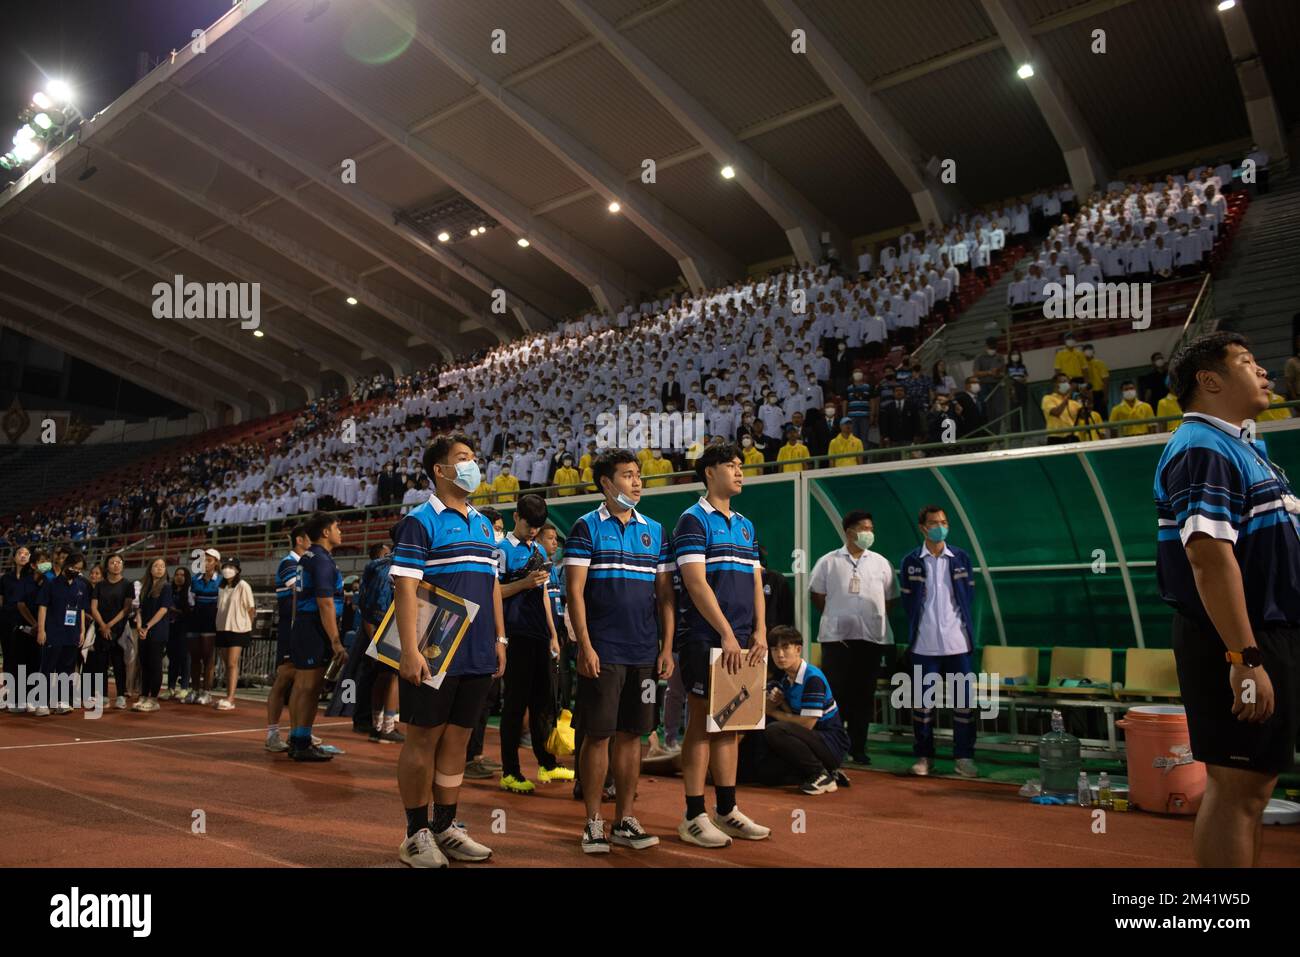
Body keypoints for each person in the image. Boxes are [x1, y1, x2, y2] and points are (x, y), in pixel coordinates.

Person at [1154, 331, 1300, 867]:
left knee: (1253, 790)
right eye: (1247, 361)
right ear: (1209, 380)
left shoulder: (1243, 447)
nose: (1263, 371)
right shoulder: (1202, 446)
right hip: (1237, 637)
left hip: (1264, 633)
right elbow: (1209, 558)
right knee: (1237, 788)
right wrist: (1243, 657)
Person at [392, 433, 505, 867]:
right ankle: (415, 832)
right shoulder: (421, 520)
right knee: (423, 738)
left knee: (458, 738)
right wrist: (409, 649)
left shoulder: (481, 522)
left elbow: (493, 583)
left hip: (478, 649)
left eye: (473, 458)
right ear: (439, 471)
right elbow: (405, 585)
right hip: (434, 647)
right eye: (463, 459)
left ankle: (446, 825)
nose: (473, 465)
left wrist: (500, 638)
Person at [564, 449, 675, 853]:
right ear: (607, 484)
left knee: (634, 735)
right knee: (597, 735)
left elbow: (665, 597)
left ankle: (625, 819)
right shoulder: (586, 527)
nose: (637, 481)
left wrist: (667, 648)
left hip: (644, 654)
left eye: (638, 475)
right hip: (603, 652)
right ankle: (593, 822)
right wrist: (585, 644)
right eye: (628, 475)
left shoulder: (657, 531)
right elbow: (574, 592)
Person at [673, 442, 771, 847]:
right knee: (700, 725)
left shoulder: (745, 525)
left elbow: (755, 581)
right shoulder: (692, 521)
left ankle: (726, 809)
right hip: (704, 638)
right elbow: (695, 583)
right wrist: (727, 633)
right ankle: (693, 815)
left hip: (743, 641)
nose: (739, 471)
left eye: (740, 466)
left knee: (730, 725)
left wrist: (760, 630)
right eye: (731, 465)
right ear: (709, 473)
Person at [810, 510, 898, 766]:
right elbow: (817, 595)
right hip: (837, 640)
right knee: (836, 693)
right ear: (849, 532)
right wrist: (839, 615)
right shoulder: (828, 561)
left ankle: (859, 747)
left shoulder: (881, 563)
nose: (869, 534)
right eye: (864, 529)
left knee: (863, 695)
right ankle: (834, 745)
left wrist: (871, 620)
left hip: (871, 639)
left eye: (871, 528)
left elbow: (890, 599)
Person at [497, 493, 571, 793]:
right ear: (516, 517)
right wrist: (522, 584)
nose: (532, 532)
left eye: (537, 527)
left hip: (540, 635)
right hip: (515, 636)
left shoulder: (539, 550)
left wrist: (553, 635)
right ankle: (510, 771)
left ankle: (548, 765)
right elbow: (494, 592)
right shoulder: (501, 551)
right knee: (515, 706)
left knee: (544, 704)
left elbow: (542, 594)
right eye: (529, 525)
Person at [898, 506, 978, 777]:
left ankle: (964, 757)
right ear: (923, 527)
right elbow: (908, 602)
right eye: (934, 523)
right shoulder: (910, 560)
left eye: (944, 522)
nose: (940, 527)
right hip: (924, 645)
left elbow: (968, 597)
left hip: (958, 644)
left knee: (964, 702)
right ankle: (923, 756)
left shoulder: (961, 558)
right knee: (922, 704)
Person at [750, 626, 851, 794]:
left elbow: (806, 724)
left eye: (785, 647)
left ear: (798, 649)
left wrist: (774, 712)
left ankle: (819, 773)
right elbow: (768, 711)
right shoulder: (785, 679)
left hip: (830, 744)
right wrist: (778, 703)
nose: (780, 654)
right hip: (809, 742)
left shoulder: (812, 678)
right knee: (766, 774)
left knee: (775, 729)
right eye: (775, 649)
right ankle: (827, 773)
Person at [287, 512, 346, 761]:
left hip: (303, 625)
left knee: (302, 686)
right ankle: (301, 742)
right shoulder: (321, 560)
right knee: (310, 689)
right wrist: (335, 640)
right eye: (336, 528)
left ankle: (297, 738)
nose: (340, 532)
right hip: (315, 628)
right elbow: (325, 603)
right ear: (325, 532)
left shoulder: (308, 557)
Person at [266, 526, 309, 752]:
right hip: (289, 628)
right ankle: (272, 733)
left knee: (299, 683)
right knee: (283, 679)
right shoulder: (288, 563)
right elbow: (299, 592)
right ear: (300, 540)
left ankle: (297, 732)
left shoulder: (304, 564)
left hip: (301, 629)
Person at [35, 551, 90, 715]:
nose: (75, 570)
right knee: (47, 667)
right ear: (66, 565)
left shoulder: (81, 586)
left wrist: (82, 631)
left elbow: (80, 609)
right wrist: (41, 630)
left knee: (66, 668)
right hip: (53, 631)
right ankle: (42, 703)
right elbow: (43, 606)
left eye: (79, 569)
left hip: (71, 633)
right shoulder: (51, 583)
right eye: (73, 567)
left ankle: (62, 701)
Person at [90, 553, 133, 709]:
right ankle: (103, 696)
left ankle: (121, 695)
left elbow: (126, 608)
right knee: (100, 664)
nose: (116, 565)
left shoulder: (127, 584)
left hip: (119, 629)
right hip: (101, 629)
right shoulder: (100, 585)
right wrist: (102, 625)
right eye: (113, 562)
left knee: (118, 663)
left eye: (119, 562)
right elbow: (93, 607)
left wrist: (110, 625)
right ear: (107, 565)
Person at [215, 556, 256, 711]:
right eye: (226, 566)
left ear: (238, 570)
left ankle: (231, 698)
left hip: (238, 629)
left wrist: (247, 625)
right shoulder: (222, 587)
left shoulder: (243, 585)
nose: (228, 569)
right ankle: (227, 695)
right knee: (227, 664)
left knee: (232, 663)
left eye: (232, 567)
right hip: (222, 628)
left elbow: (251, 609)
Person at [133, 558, 173, 713]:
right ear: (150, 569)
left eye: (162, 566)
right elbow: (140, 609)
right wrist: (139, 626)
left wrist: (148, 626)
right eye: (156, 566)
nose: (159, 569)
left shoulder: (166, 587)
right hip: (144, 630)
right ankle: (143, 695)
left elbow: (163, 610)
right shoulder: (145, 587)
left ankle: (153, 699)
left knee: (155, 665)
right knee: (144, 664)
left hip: (158, 630)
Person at [186, 549, 221, 705]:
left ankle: (206, 691)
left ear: (216, 563)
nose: (206, 563)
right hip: (195, 620)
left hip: (211, 621)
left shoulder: (221, 580)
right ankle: (194, 690)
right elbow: (190, 600)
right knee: (194, 657)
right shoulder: (194, 580)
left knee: (208, 657)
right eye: (204, 560)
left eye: (210, 560)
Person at [163, 566, 191, 701]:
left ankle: (184, 688)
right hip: (170, 628)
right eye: (177, 574)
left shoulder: (189, 592)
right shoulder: (169, 590)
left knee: (184, 658)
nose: (179, 577)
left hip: (184, 628)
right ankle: (170, 688)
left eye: (182, 575)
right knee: (172, 659)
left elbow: (190, 611)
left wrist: (175, 610)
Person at [1042, 372, 1082, 444]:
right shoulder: (1048, 398)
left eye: (1068, 382)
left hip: (1073, 436)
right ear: (1056, 385)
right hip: (1056, 437)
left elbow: (1086, 414)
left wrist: (1086, 393)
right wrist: (1068, 395)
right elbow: (1056, 412)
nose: (1067, 385)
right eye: (1063, 382)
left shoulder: (1073, 403)